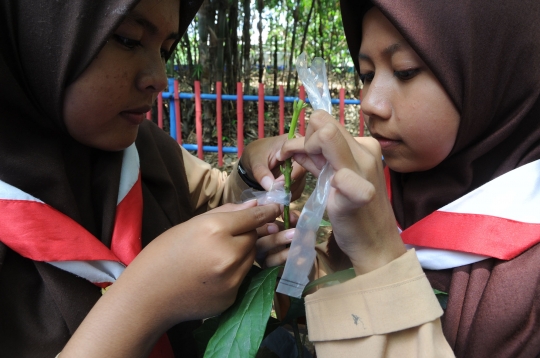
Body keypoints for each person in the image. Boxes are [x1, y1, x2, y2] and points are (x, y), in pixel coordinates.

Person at [0, 0, 303, 357]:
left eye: (165, 49)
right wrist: (147, 300)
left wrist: (249, 177)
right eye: (128, 39)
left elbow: (212, 199)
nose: (159, 78)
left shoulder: (142, 147)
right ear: (39, 33)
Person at [279, 1, 540, 357]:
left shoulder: (528, 275)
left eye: (404, 71)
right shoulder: (390, 191)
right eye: (367, 74)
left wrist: (379, 259)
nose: (370, 103)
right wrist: (314, 277)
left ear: (494, 74)